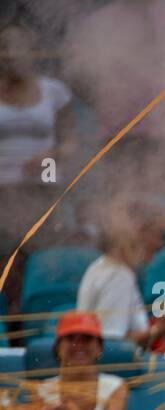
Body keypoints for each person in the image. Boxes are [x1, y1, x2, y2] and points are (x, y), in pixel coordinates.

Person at [0, 22, 77, 321]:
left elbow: (70, 141)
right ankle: (10, 320)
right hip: (3, 191)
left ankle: (39, 316)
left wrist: (52, 154)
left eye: (18, 48)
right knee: (7, 258)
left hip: (42, 187)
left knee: (42, 254)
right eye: (5, 48)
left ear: (32, 53)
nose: (12, 55)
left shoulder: (54, 91)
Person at [76, 195, 165, 350]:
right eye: (158, 235)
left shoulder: (102, 267)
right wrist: (160, 330)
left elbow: (118, 333)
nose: (161, 244)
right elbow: (111, 346)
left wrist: (163, 327)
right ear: (139, 234)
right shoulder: (117, 277)